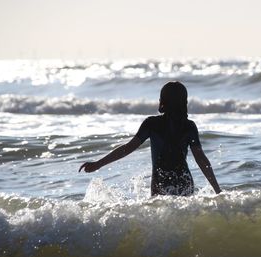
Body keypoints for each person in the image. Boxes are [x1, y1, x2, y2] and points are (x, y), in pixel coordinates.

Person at [79, 81, 221, 196]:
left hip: (160, 183)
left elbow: (127, 148)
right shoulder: (189, 126)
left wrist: (98, 164)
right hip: (184, 182)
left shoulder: (152, 124)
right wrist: (217, 189)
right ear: (184, 102)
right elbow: (201, 159)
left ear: (162, 102)